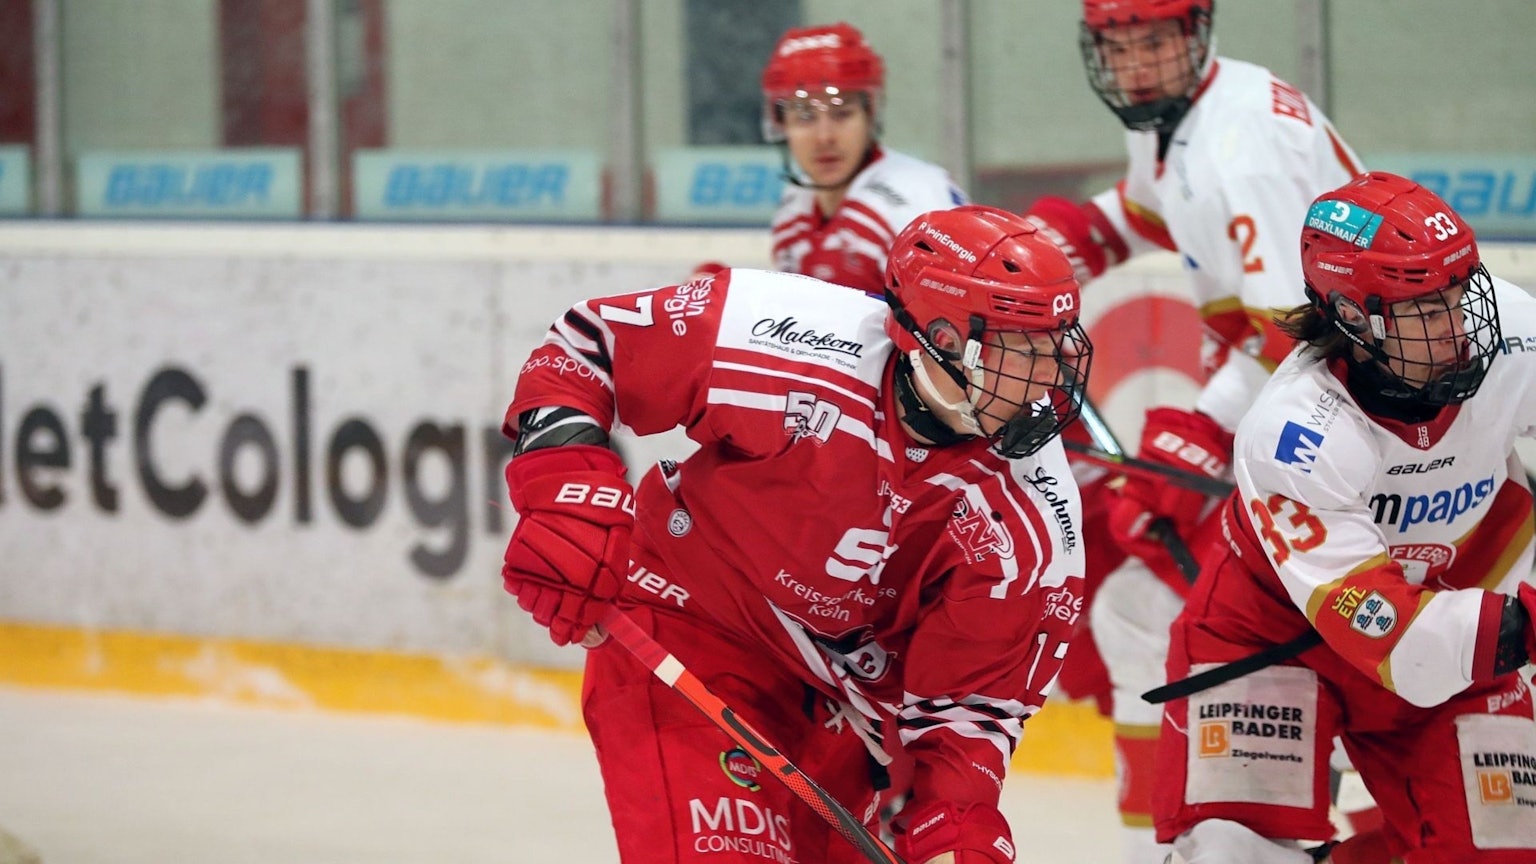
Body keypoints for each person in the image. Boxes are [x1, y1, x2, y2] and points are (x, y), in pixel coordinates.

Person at [499, 205, 1094, 864]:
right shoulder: (783, 333)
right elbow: (589, 346)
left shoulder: (1038, 518)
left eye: (1057, 344)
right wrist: (564, 490)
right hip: (692, 626)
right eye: (1022, 349)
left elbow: (970, 706)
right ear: (941, 340)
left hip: (848, 712)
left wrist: (955, 812)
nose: (1049, 378)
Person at [1019, 1, 1372, 858]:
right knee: (1143, 609)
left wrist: (1199, 432)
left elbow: (1311, 337)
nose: (1137, 65)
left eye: (1155, 43)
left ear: (1195, 35)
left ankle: (1252, 830)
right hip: (1311, 421)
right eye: (1119, 46)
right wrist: (1056, 244)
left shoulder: (1242, 150)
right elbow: (1140, 210)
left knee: (1159, 614)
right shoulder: (1178, 117)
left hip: (1357, 439)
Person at [1152, 171, 1536, 862]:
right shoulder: (1295, 433)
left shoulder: (1516, 336)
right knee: (1234, 853)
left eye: (1459, 293)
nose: (1458, 327)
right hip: (1274, 630)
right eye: (1425, 309)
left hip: (1460, 613)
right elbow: (1403, 647)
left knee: (1504, 852)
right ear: (1353, 318)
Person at [697, 23, 967, 295]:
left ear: (870, 114)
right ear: (781, 125)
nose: (824, 137)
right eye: (804, 117)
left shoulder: (914, 205)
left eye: (841, 113)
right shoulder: (795, 206)